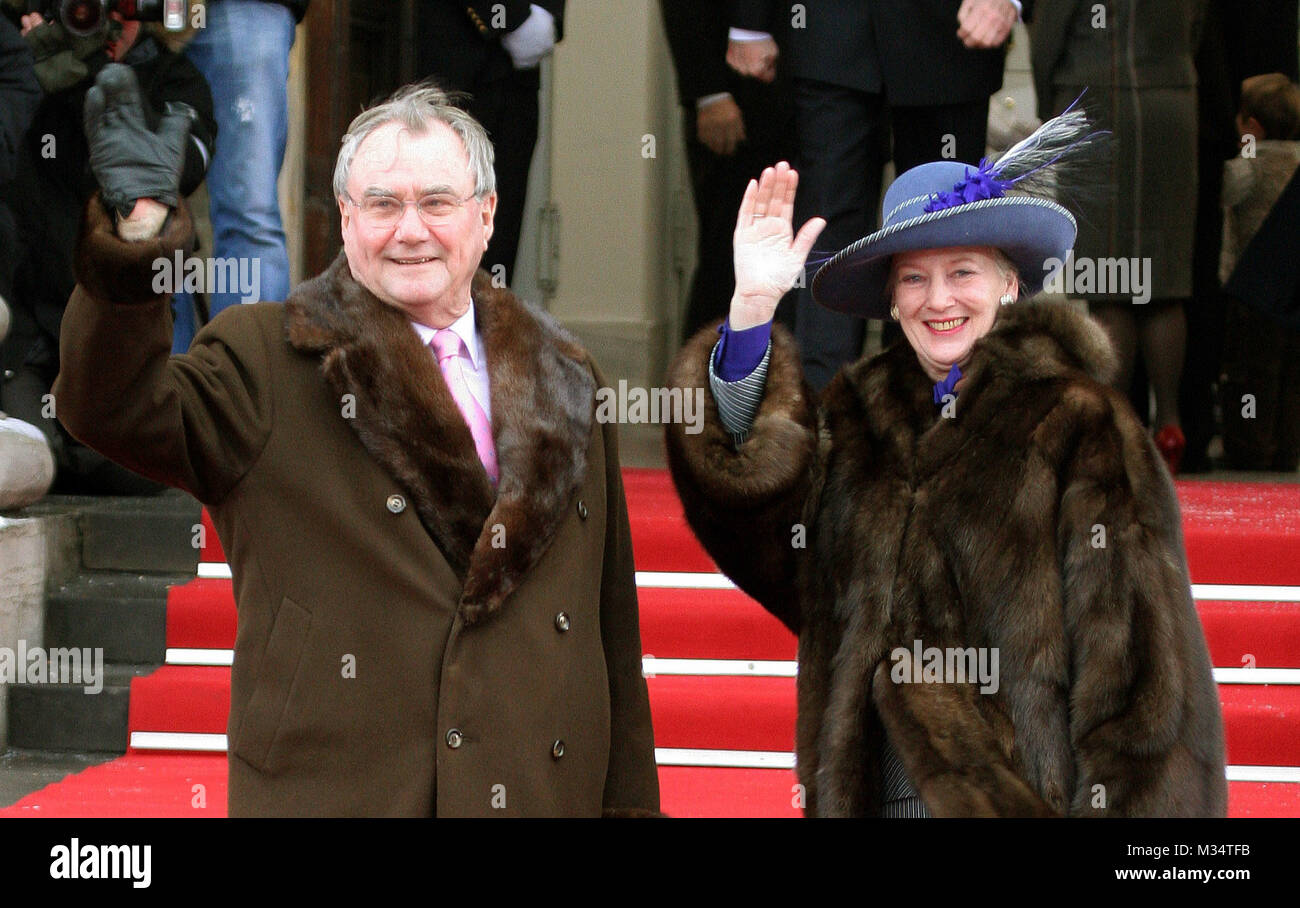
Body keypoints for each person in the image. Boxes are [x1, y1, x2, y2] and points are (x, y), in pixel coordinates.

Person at [54, 76, 660, 817]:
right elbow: (107, 408)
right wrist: (138, 240)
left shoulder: (566, 374)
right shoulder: (266, 358)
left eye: (437, 202)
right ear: (345, 218)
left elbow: (610, 640)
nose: (410, 230)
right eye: (382, 204)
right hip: (338, 793)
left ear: (487, 215)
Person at [663, 113, 1228, 816]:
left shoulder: (1081, 426)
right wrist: (749, 318)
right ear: (891, 300)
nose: (939, 300)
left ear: (1010, 284)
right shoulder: (853, 421)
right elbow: (766, 540)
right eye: (914, 278)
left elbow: (1146, 690)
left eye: (963, 272)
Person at [729, 0, 1026, 392]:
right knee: (824, 229)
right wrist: (750, 21)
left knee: (945, 229)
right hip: (829, 26)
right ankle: (822, 415)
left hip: (952, 32)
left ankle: (936, 409)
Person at [1, 5, 215, 495]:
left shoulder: (175, 80)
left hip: (114, 338)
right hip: (24, 332)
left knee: (131, 471)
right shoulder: (26, 64)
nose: (94, 19)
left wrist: (99, 77)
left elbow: (182, 169)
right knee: (27, 458)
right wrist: (22, 80)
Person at [1031, 0, 1205, 474]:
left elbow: (1049, 37)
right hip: (1172, 98)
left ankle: (1113, 430)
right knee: (1164, 279)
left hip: (1095, 97)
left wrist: (1051, 108)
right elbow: (1197, 23)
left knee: (1109, 276)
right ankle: (1169, 422)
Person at [659, 0, 796, 339]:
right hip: (738, 99)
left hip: (813, 101)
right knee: (728, 266)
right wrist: (708, 91)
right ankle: (704, 387)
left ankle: (785, 386)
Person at [179, 0, 308, 350]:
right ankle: (157, 389)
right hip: (139, 16)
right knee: (142, 210)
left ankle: (245, 384)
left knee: (249, 215)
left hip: (242, 6)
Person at [416, 1, 563, 288]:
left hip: (514, 76)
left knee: (496, 249)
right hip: (443, 59)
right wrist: (514, 16)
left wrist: (546, 14)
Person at [1218, 74, 1300, 471]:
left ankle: (1251, 449)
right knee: (1290, 377)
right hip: (1294, 290)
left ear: (1252, 127)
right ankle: (1288, 448)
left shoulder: (1248, 167)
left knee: (1253, 375)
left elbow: (1226, 197)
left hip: (1254, 290)